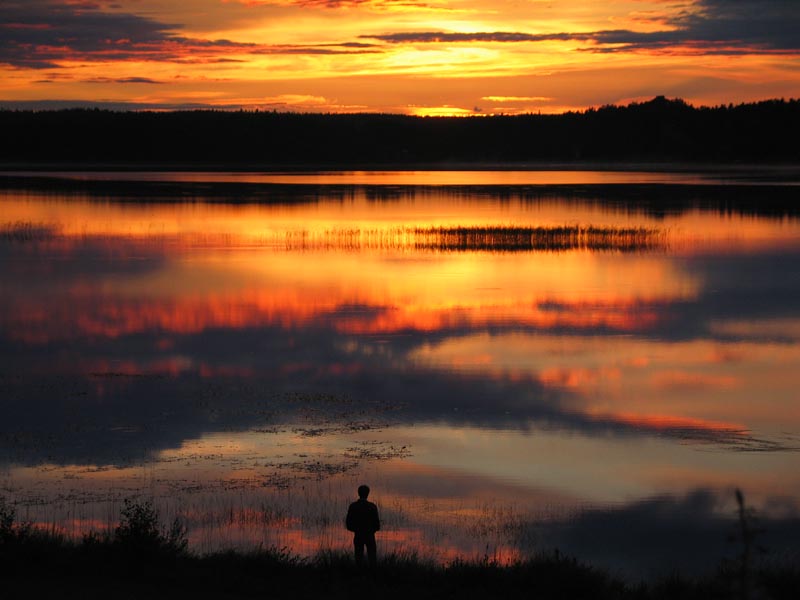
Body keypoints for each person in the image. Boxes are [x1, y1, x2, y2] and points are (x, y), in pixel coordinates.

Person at [345, 484, 380, 568]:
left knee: (358, 556)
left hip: (358, 535)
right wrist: (372, 530)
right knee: (372, 557)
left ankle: (359, 574)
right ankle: (373, 575)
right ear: (368, 494)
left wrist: (355, 530)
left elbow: (348, 523)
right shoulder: (372, 506)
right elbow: (377, 524)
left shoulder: (353, 506)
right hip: (370, 535)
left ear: (358, 493)